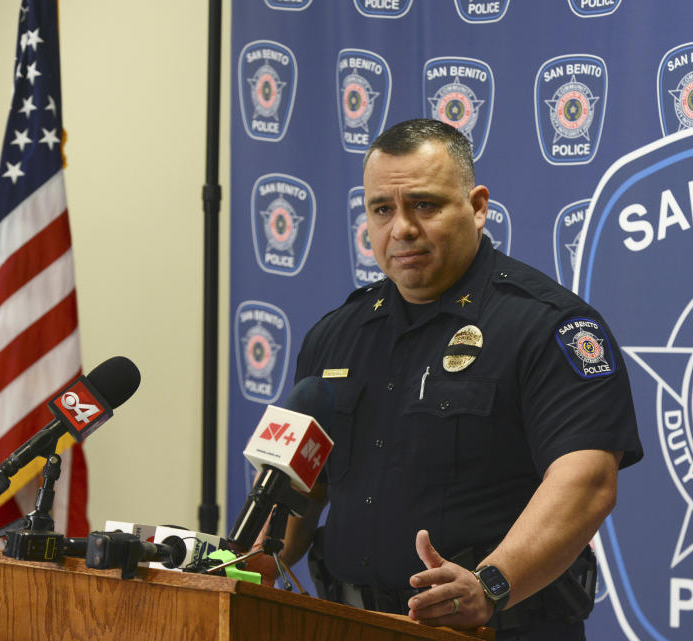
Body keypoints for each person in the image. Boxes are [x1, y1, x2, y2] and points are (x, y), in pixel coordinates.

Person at [251, 118, 642, 640]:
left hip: (499, 629)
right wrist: (242, 566)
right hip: (352, 624)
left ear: (478, 207)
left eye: (425, 205)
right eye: (382, 210)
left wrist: (491, 586)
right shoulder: (335, 336)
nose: (402, 228)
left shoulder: (549, 326)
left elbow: (587, 483)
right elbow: (298, 484)